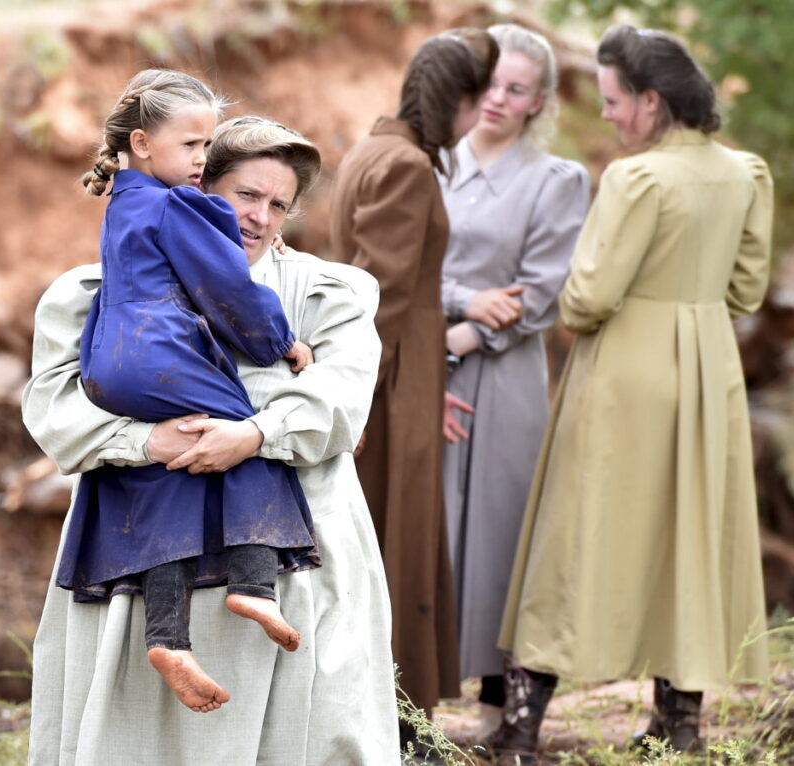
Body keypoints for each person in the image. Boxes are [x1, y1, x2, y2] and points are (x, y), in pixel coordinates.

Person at [25, 116, 400, 765]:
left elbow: (342, 398)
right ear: (196, 191)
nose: (260, 216)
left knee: (306, 734)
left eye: (278, 203)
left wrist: (257, 433)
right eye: (245, 195)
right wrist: (147, 441)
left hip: (298, 556)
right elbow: (52, 407)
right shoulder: (99, 294)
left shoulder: (328, 294)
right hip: (142, 549)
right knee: (143, 738)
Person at [487, 24, 773, 763]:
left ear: (652, 101)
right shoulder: (746, 173)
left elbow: (586, 298)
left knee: (576, 531)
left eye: (615, 102)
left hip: (622, 375)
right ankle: (678, 725)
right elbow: (746, 290)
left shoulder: (636, 178)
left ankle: (521, 730)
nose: (608, 116)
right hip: (708, 372)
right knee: (689, 533)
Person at [55, 69, 319, 715]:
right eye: (192, 145)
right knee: (244, 434)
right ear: (143, 142)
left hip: (110, 362)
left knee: (171, 471)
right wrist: (279, 343)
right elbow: (228, 289)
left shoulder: (123, 199)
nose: (203, 159)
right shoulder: (178, 205)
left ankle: (168, 638)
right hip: (160, 355)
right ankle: (256, 583)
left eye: (207, 147)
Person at [329, 27, 499, 734]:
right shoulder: (405, 167)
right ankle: (399, 720)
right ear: (456, 102)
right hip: (391, 385)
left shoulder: (371, 151)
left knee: (384, 543)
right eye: (477, 103)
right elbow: (385, 296)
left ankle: (390, 715)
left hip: (403, 373)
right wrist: (362, 402)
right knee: (401, 542)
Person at [438, 23, 590, 743]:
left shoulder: (556, 181)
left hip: (507, 376)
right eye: (491, 83)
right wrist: (458, 307)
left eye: (517, 89)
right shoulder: (428, 165)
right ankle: (416, 700)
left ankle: (503, 711)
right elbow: (396, 270)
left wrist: (464, 335)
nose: (499, 99)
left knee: (503, 533)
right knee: (429, 526)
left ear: (539, 103)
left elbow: (545, 289)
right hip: (426, 370)